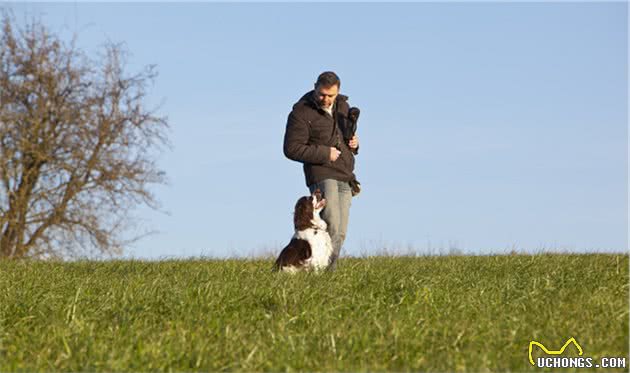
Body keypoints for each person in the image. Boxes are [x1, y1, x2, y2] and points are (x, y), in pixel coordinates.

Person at [283, 71, 360, 270]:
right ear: (315, 87)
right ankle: (324, 273)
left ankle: (323, 272)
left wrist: (354, 144)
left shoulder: (343, 106)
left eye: (330, 95)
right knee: (331, 223)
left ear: (338, 92)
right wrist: (325, 153)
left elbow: (346, 136)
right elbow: (291, 148)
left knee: (340, 231)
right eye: (322, 94)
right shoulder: (301, 112)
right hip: (321, 173)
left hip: (345, 173)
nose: (325, 99)